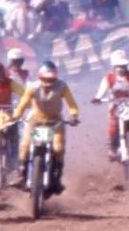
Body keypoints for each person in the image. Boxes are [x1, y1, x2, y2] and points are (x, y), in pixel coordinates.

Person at [15, 61, 80, 196]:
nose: (49, 82)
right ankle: (21, 175)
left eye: (51, 79)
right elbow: (23, 104)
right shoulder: (32, 87)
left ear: (56, 77)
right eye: (46, 79)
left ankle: (57, 178)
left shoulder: (62, 86)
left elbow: (72, 105)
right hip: (35, 121)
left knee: (58, 149)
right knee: (25, 146)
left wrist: (73, 116)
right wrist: (16, 116)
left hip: (55, 122)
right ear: (40, 77)